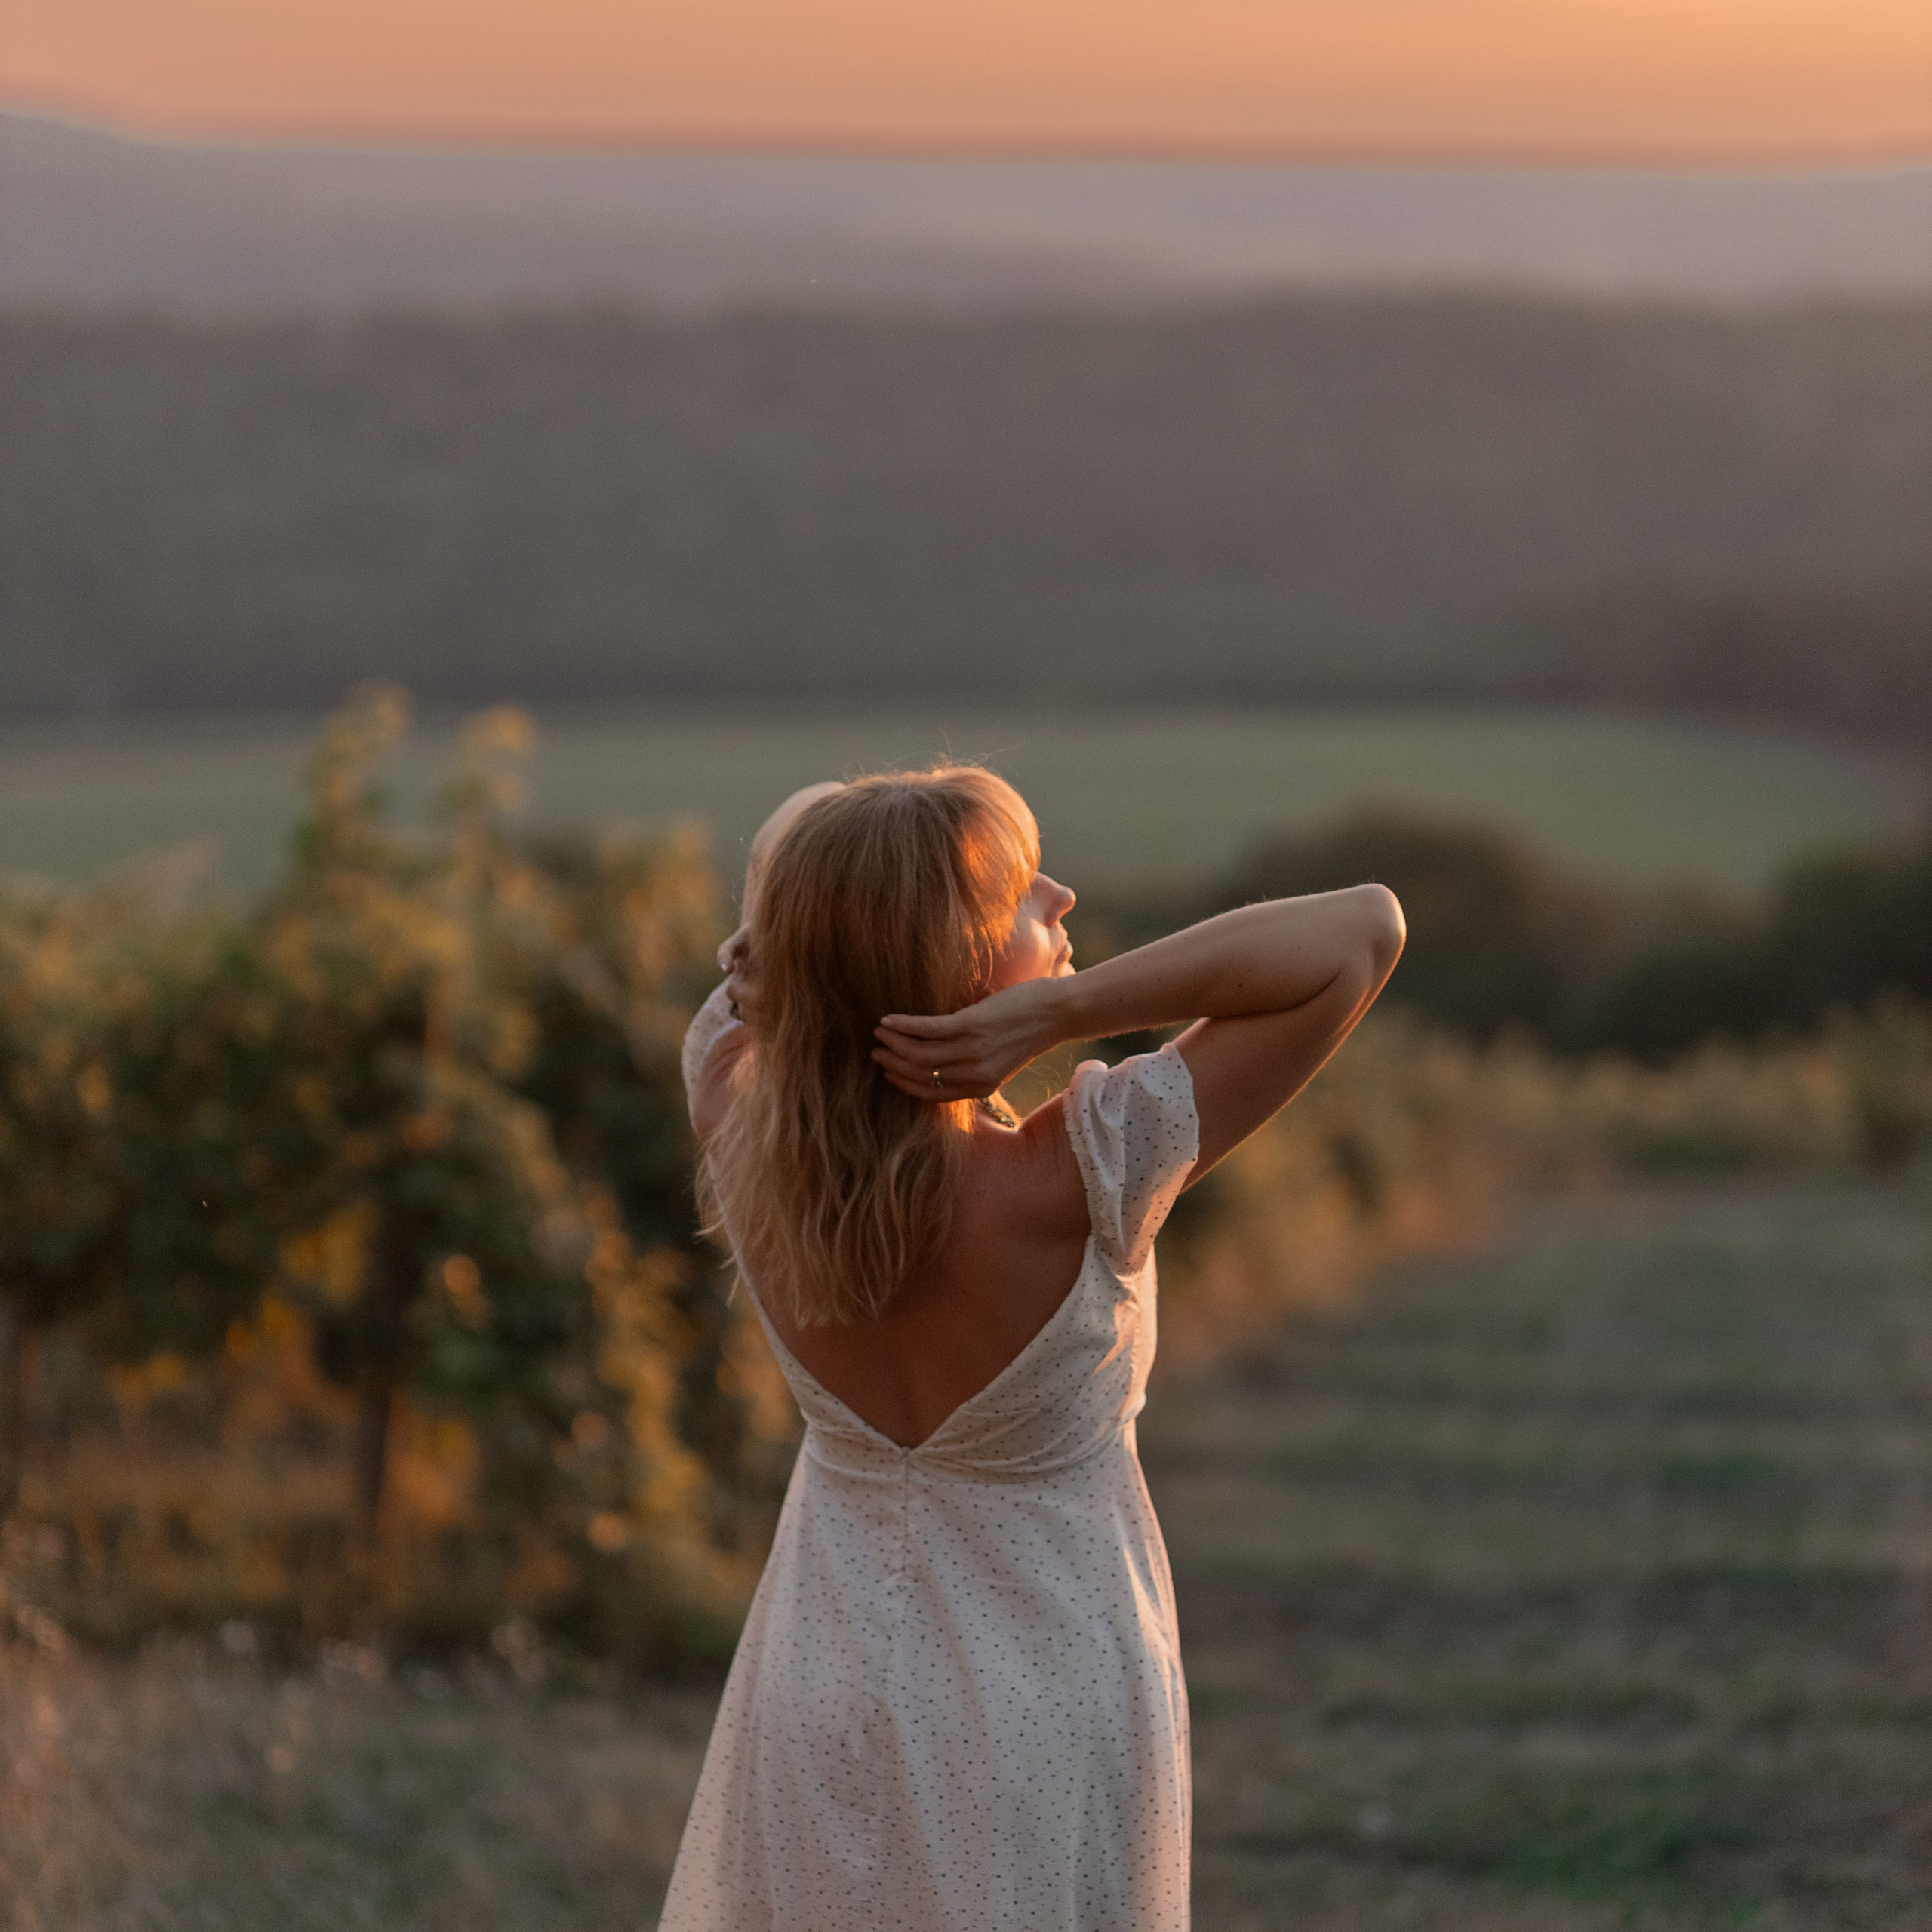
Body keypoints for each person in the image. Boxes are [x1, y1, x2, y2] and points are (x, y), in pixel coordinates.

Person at [658, 764, 1403, 1932]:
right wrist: (1065, 1011)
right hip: (1044, 1695)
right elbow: (1363, 930)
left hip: (827, 1674)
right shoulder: (1080, 1173)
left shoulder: (740, 1130)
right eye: (1019, 892)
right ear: (953, 960)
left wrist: (819, 938)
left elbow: (785, 913)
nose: (1060, 896)